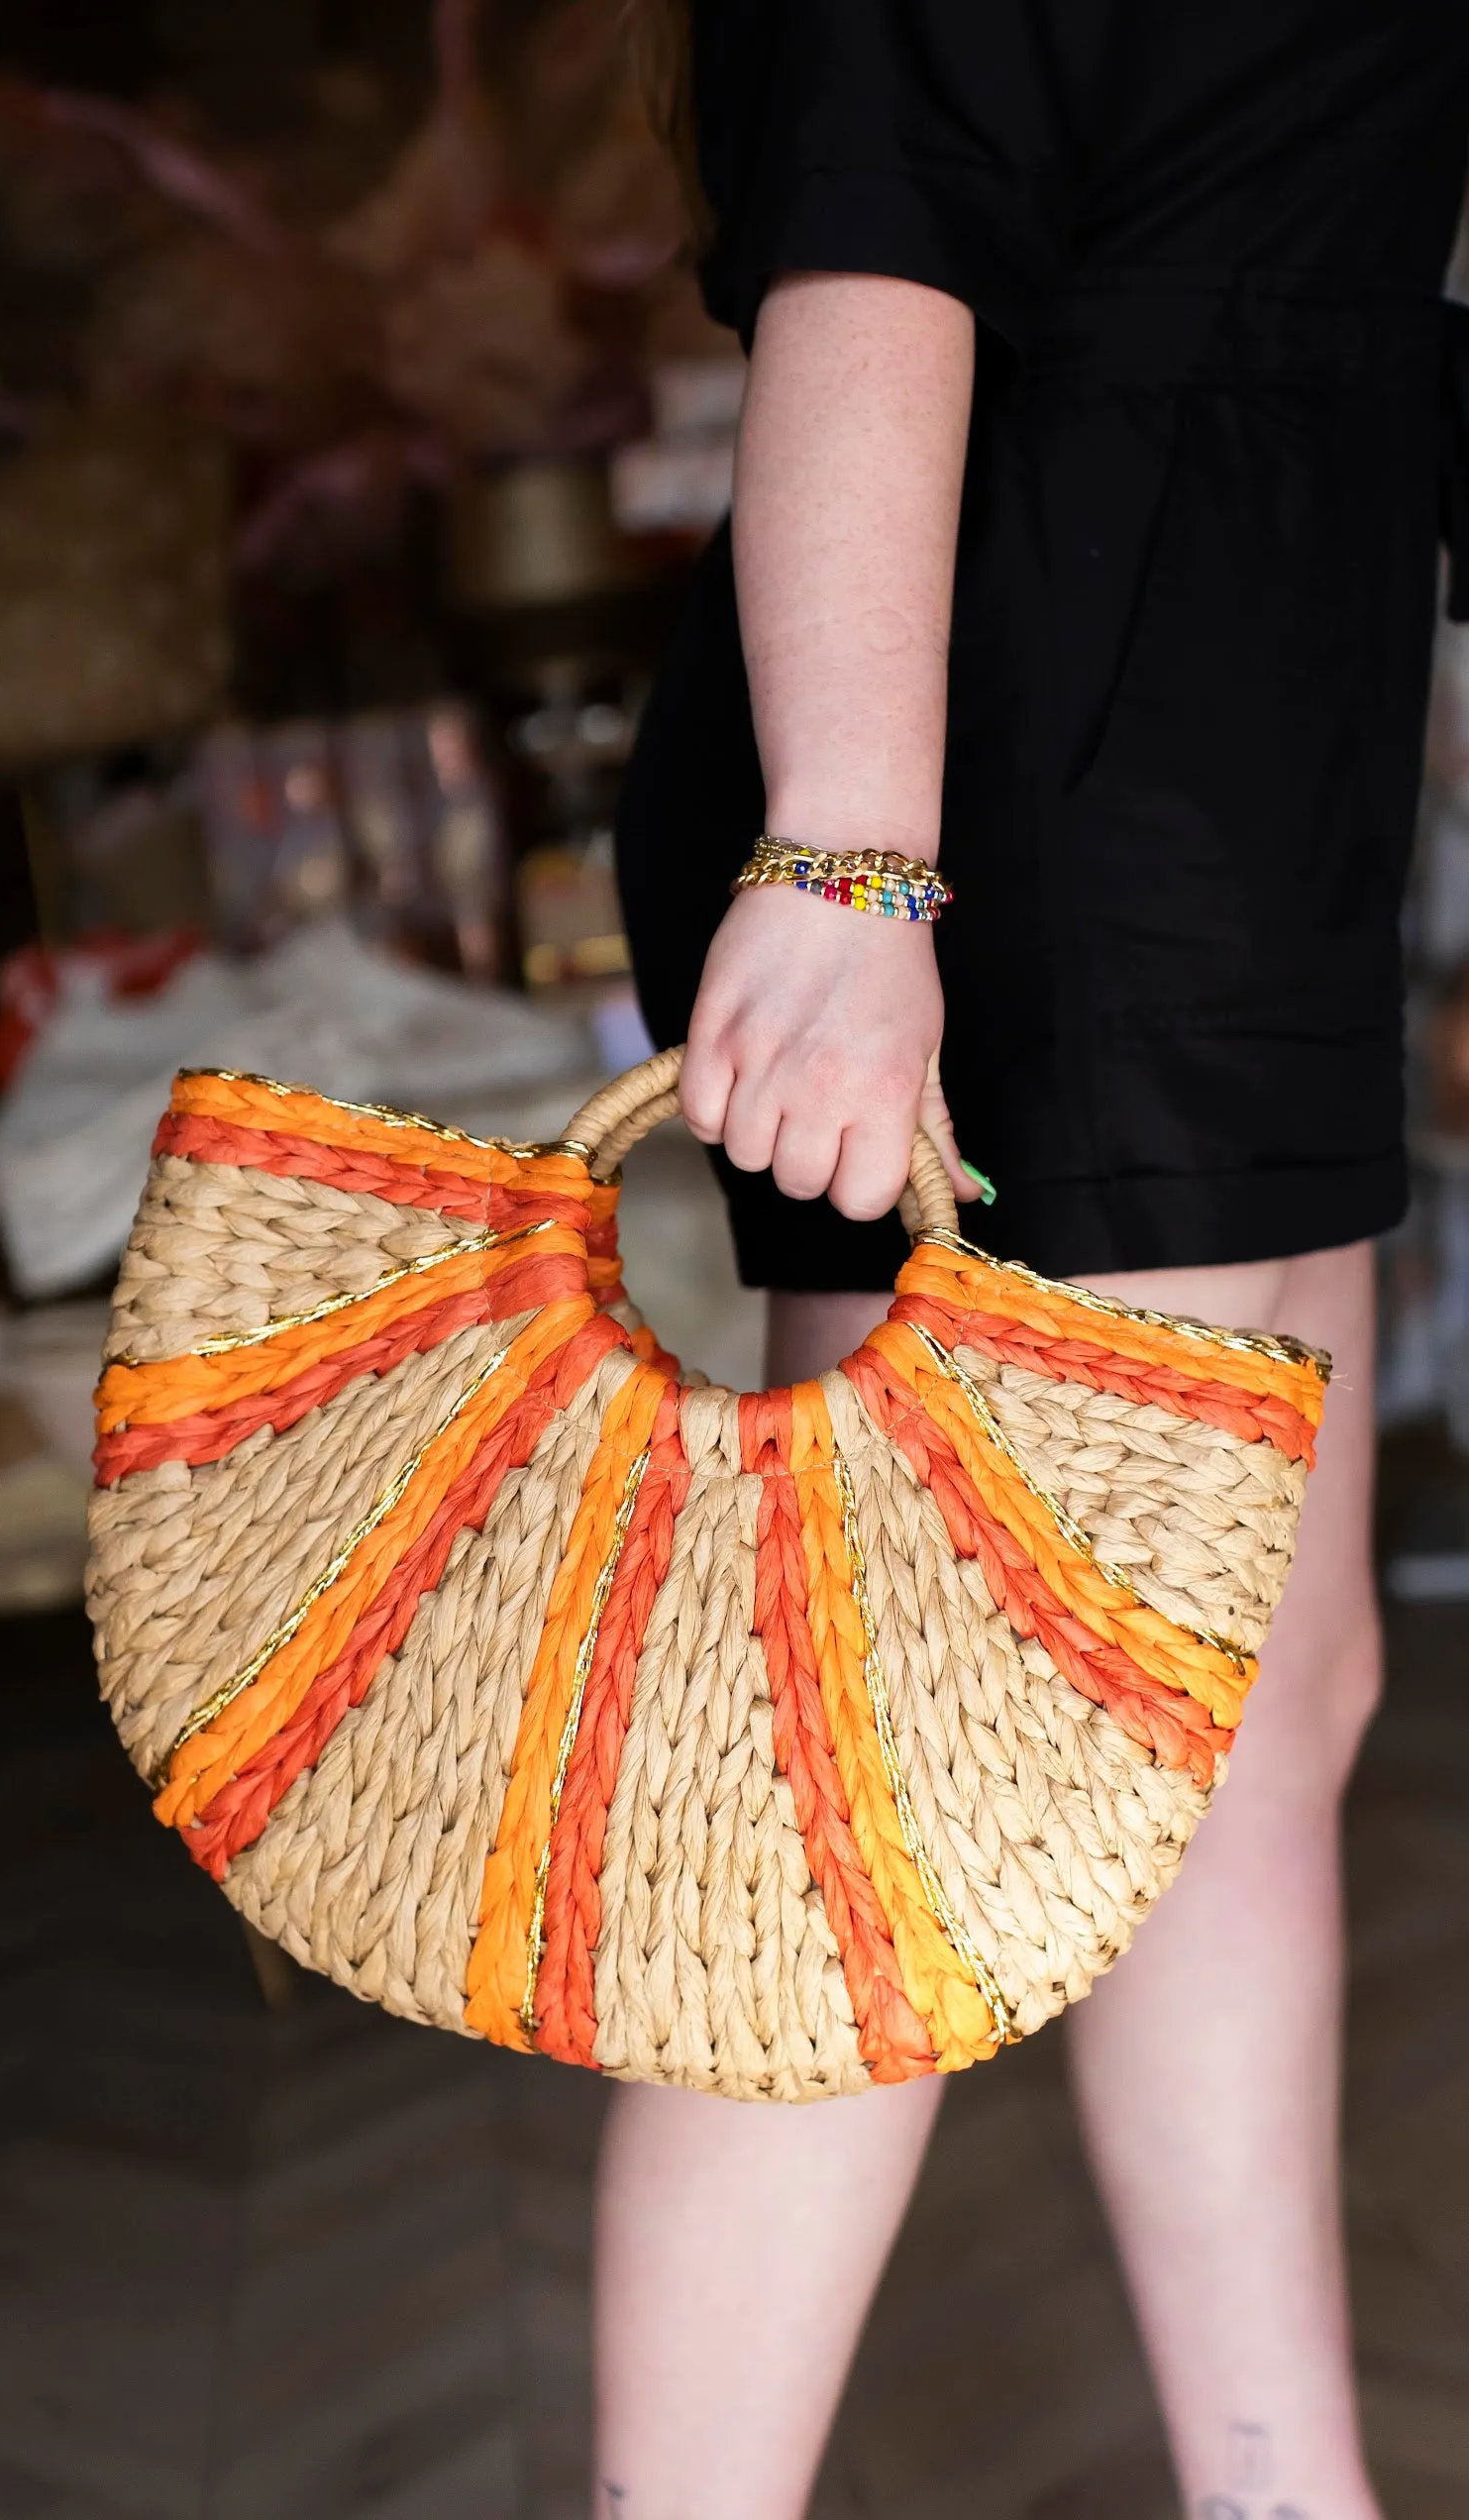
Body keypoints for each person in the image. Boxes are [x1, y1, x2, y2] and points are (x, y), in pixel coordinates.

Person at [602, 6, 1469, 2515]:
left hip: (1215, 763)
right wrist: (854, 860)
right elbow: (874, 247)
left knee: (1256, 1703)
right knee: (891, 1793)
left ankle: (1275, 2482)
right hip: (1040, 813)